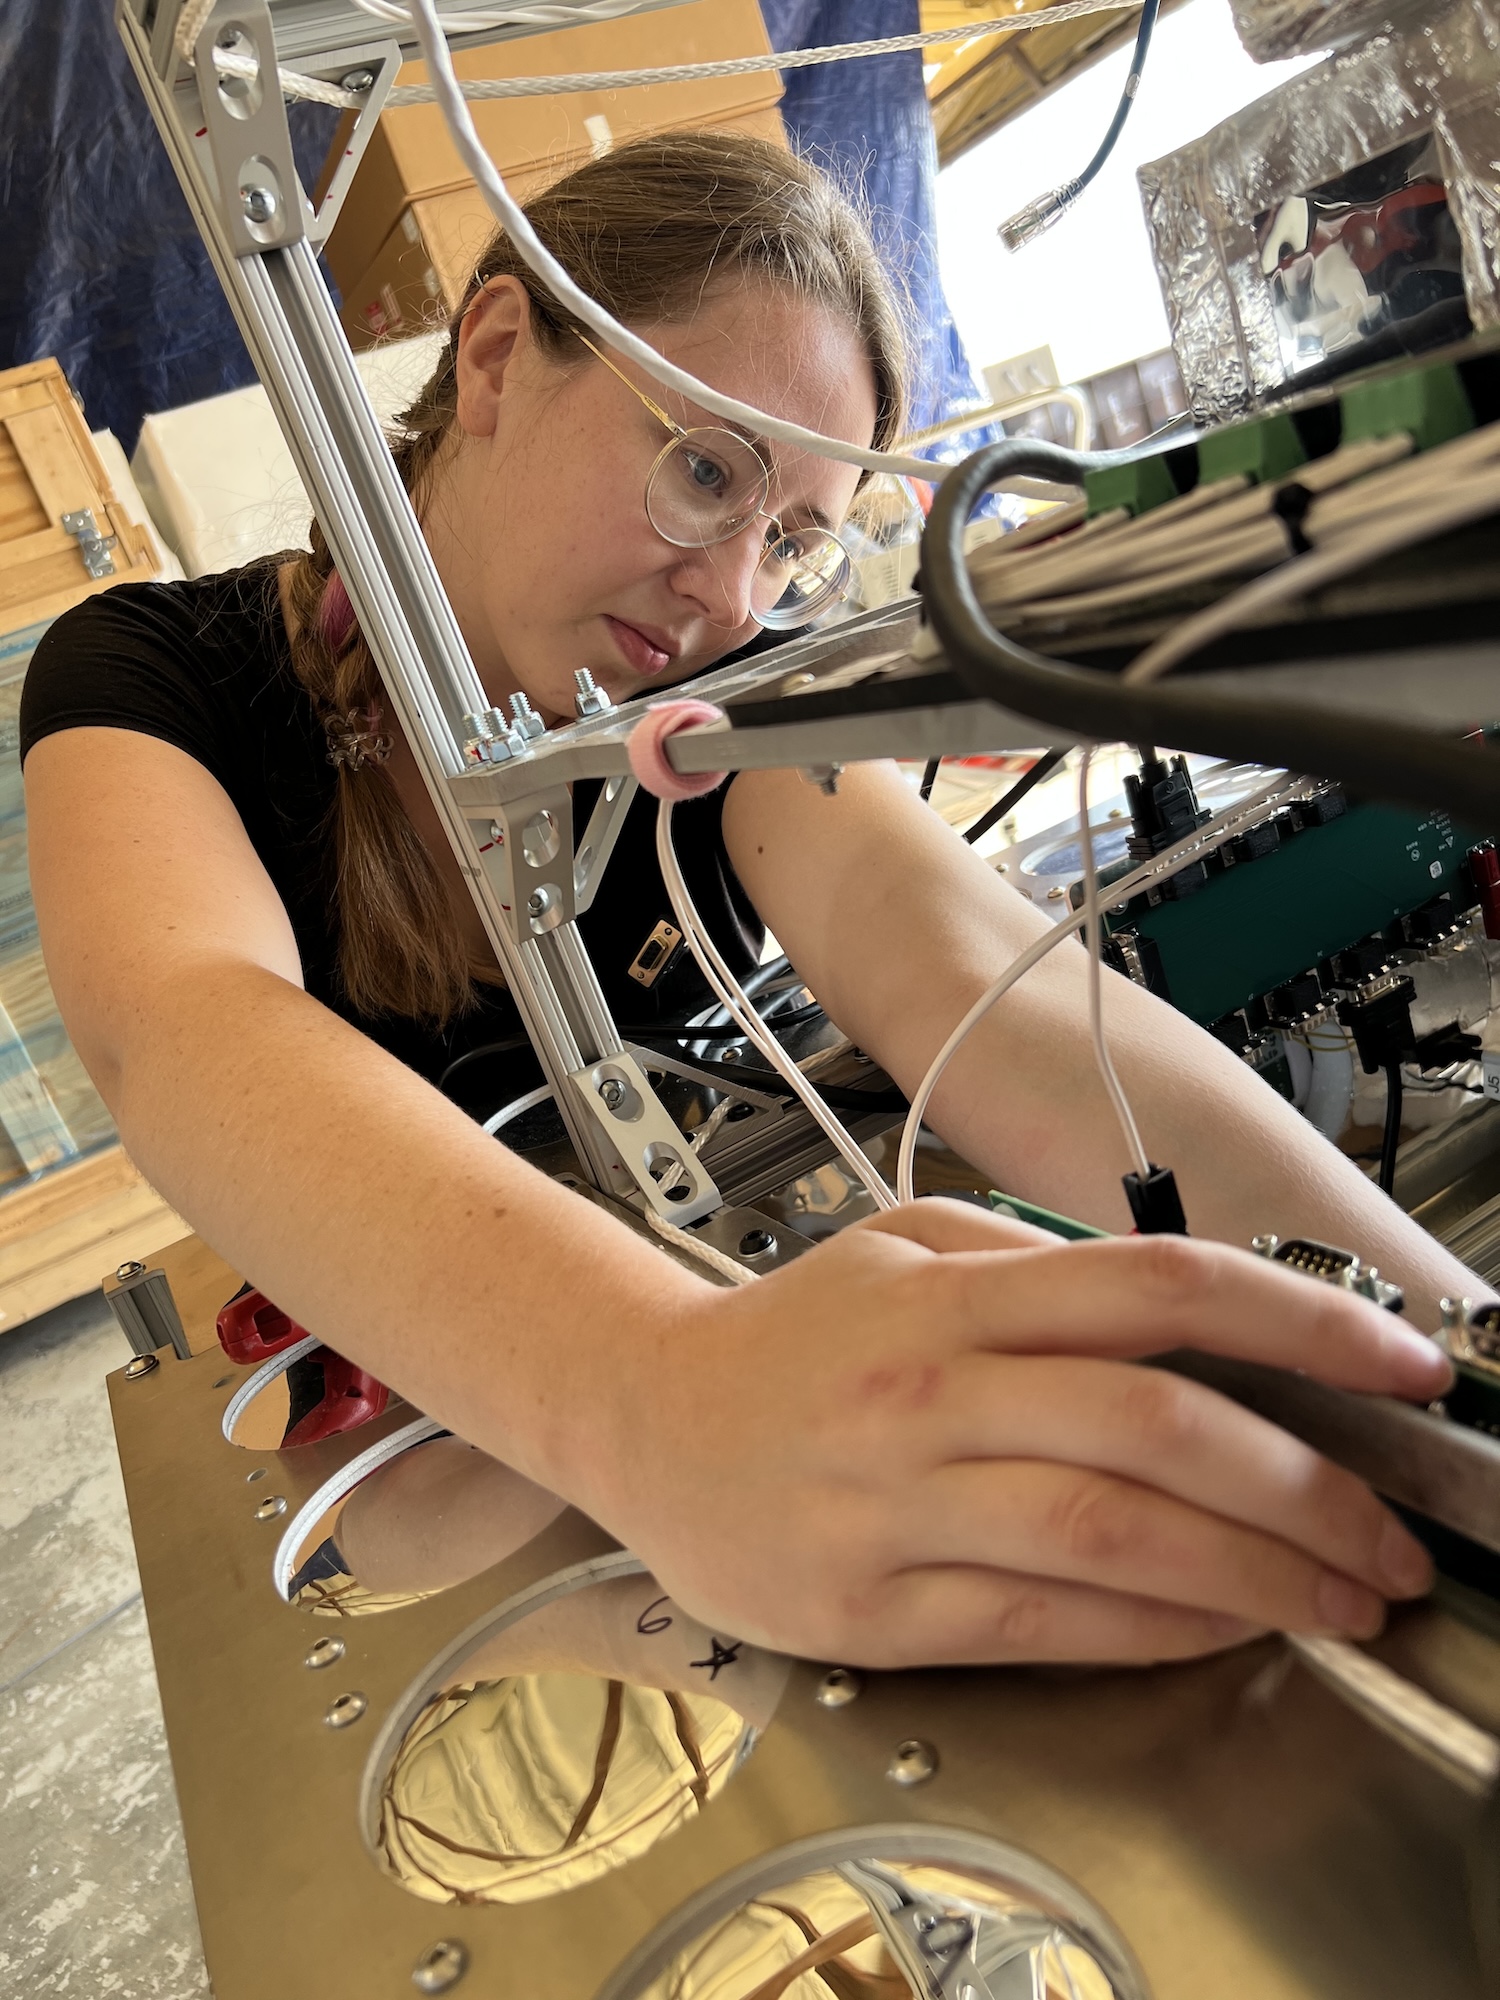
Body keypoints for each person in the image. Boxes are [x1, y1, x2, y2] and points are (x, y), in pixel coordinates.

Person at [22, 132, 1470, 1672]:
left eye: (790, 541)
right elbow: (181, 1025)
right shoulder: (153, 676)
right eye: (705, 470)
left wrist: (1450, 1365)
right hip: (427, 1418)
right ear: (501, 353)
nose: (728, 596)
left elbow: (987, 980)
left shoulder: (708, 704)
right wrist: (658, 1388)